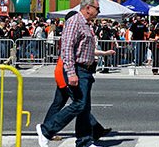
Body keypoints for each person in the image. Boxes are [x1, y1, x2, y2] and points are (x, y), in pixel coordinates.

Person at [37, 0, 101, 147]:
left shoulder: (86, 24)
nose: (99, 12)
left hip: (85, 70)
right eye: (97, 9)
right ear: (88, 8)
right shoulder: (75, 21)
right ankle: (46, 129)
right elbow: (67, 47)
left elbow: (83, 47)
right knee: (79, 104)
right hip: (77, 69)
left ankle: (84, 141)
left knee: (85, 107)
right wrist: (71, 72)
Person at [43, 10, 114, 142]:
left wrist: (103, 53)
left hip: (63, 71)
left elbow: (85, 51)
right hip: (66, 72)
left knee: (67, 103)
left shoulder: (69, 31)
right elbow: (71, 52)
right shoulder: (70, 32)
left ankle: (95, 130)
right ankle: (46, 129)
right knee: (79, 103)